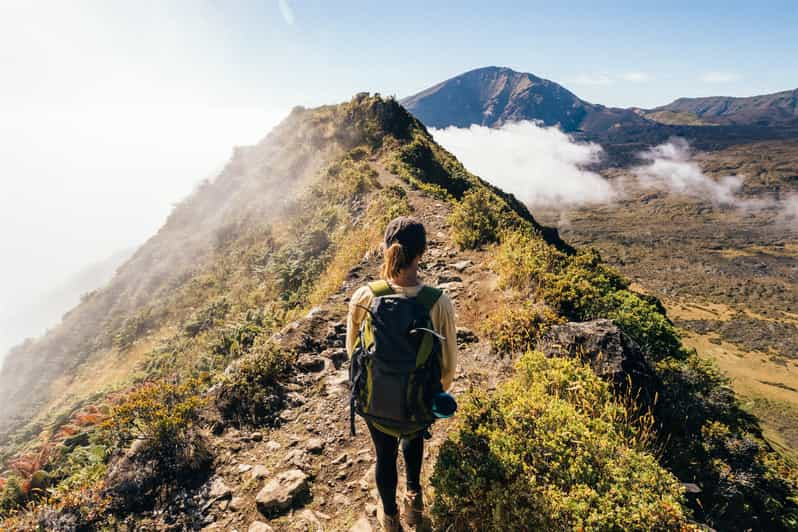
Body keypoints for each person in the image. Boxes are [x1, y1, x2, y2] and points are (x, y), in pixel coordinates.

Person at [346, 216, 457, 531]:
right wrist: (430, 392)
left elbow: (352, 353)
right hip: (418, 404)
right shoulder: (438, 303)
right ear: (421, 253)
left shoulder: (364, 297)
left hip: (376, 404)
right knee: (413, 440)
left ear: (386, 249)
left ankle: (390, 518)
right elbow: (448, 367)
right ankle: (414, 502)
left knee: (384, 455)